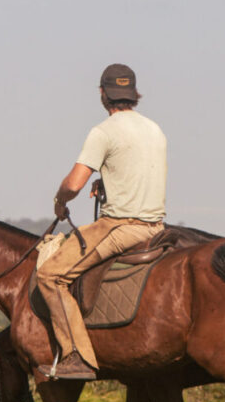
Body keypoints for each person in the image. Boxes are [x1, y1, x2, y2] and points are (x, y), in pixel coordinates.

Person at [36, 63, 167, 380]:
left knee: (49, 276)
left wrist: (59, 200)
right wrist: (107, 184)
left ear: (102, 94)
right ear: (134, 94)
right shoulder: (155, 129)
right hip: (157, 226)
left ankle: (76, 356)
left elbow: (74, 184)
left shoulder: (103, 132)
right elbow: (137, 172)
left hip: (120, 226)